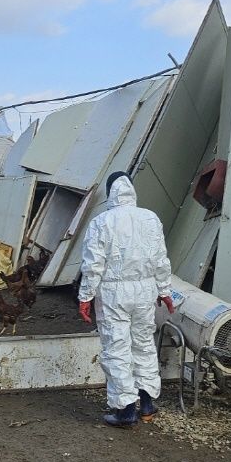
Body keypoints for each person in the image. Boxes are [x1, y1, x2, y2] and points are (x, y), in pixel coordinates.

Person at [78, 172, 175, 429]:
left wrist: (85, 296)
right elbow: (161, 260)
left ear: (110, 192)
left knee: (117, 348)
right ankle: (146, 405)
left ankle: (125, 411)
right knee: (143, 344)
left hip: (113, 294)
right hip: (145, 292)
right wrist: (164, 291)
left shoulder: (101, 222)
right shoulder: (150, 218)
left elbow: (93, 265)